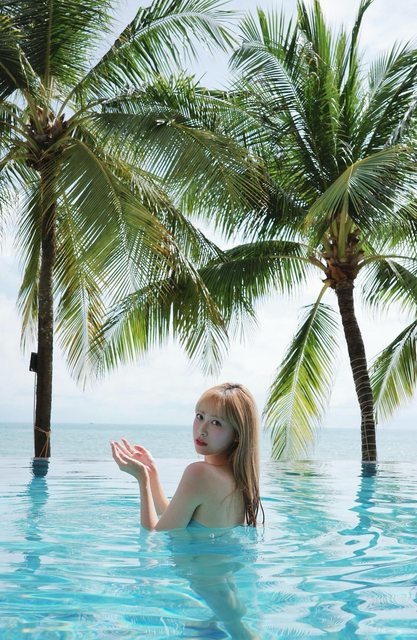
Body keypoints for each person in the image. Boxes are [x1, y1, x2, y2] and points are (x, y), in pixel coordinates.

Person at [111, 382, 263, 531]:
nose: (202, 430)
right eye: (200, 416)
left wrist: (142, 478)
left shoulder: (199, 473)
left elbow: (153, 536)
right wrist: (151, 473)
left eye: (216, 422)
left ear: (237, 434)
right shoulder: (240, 480)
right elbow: (174, 521)